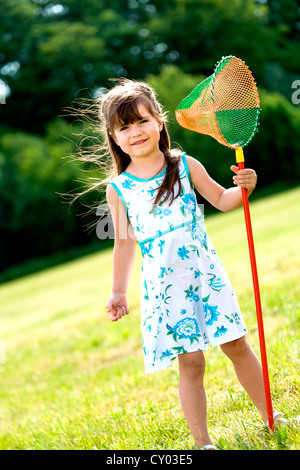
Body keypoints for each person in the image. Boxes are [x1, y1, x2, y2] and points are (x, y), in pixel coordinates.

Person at [100, 79, 285, 449]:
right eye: (125, 127)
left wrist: (244, 187)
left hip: (206, 277)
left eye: (142, 121)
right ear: (114, 138)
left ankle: (272, 417)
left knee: (237, 344)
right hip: (167, 291)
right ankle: (203, 443)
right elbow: (123, 242)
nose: (135, 132)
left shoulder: (183, 165)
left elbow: (222, 198)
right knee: (192, 364)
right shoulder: (119, 188)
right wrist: (118, 291)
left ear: (159, 122)